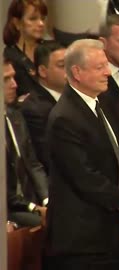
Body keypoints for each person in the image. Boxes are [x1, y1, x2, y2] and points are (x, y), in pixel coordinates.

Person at [46, 39, 119, 270]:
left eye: (106, 65)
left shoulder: (104, 101)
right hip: (82, 240)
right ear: (77, 72)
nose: (108, 72)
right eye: (100, 67)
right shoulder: (64, 118)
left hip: (110, 229)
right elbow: (84, 176)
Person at [4, 53, 48, 228]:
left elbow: (33, 163)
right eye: (6, 79)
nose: (14, 85)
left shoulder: (15, 115)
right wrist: (34, 208)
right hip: (9, 207)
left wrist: (47, 200)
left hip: (30, 199)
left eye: (13, 77)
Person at [21, 40, 66, 172]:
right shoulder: (34, 109)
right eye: (62, 65)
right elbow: (48, 158)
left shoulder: (74, 97)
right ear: (42, 71)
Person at [3, 0, 47, 98]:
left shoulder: (51, 50)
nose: (41, 24)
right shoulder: (9, 56)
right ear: (17, 23)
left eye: (43, 19)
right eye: (33, 19)